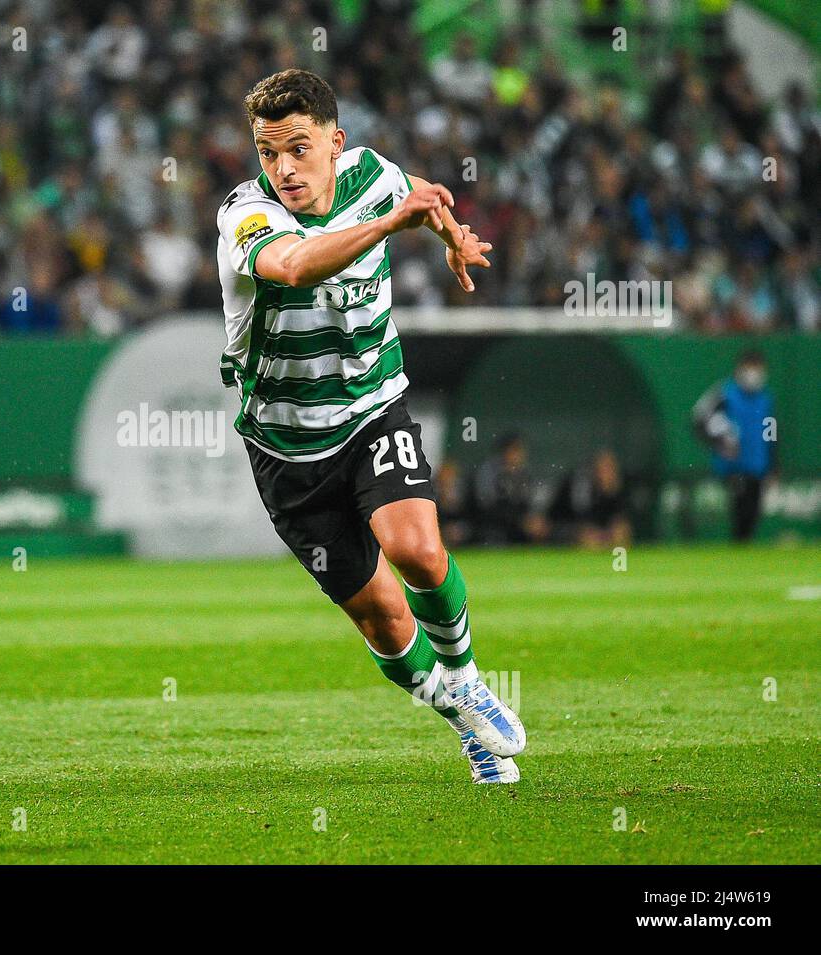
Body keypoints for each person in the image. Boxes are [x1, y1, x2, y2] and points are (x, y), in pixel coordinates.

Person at [216, 69, 524, 784]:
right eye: (268, 152)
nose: (284, 168)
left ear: (336, 142)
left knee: (416, 548)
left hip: (371, 406)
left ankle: (470, 679)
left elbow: (418, 193)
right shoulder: (245, 216)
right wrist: (392, 225)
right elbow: (291, 266)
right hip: (286, 446)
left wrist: (450, 234)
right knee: (385, 619)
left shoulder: (372, 175)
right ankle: (462, 721)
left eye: (298, 148)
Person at [692, 350, 777, 541]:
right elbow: (699, 421)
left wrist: (773, 465)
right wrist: (720, 443)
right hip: (734, 466)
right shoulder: (725, 394)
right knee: (741, 509)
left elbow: (771, 433)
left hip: (757, 466)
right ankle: (739, 545)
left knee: (753, 512)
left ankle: (743, 547)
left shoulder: (765, 399)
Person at [471, 433, 549, 545]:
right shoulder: (488, 473)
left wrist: (533, 519)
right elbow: (486, 507)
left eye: (519, 451)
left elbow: (531, 502)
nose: (516, 455)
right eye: (513, 450)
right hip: (492, 525)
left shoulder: (525, 474)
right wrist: (520, 521)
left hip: (519, 525)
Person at [550, 449, 632, 547]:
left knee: (620, 534)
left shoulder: (616, 488)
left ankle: (613, 562)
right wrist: (591, 533)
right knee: (589, 539)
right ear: (594, 469)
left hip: (600, 532)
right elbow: (578, 520)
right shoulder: (580, 486)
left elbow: (619, 519)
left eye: (611, 468)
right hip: (564, 528)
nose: (608, 472)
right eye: (604, 468)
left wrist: (613, 530)